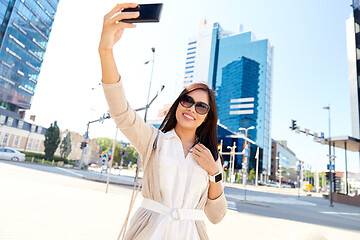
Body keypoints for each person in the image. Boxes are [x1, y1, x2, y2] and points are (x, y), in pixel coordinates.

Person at [99, 3, 227, 240]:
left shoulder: (211, 157)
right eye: (187, 100)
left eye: (201, 106)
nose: (192, 109)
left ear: (208, 117)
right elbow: (121, 111)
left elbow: (216, 216)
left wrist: (214, 172)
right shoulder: (154, 141)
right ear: (178, 103)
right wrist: (106, 51)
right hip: (149, 233)